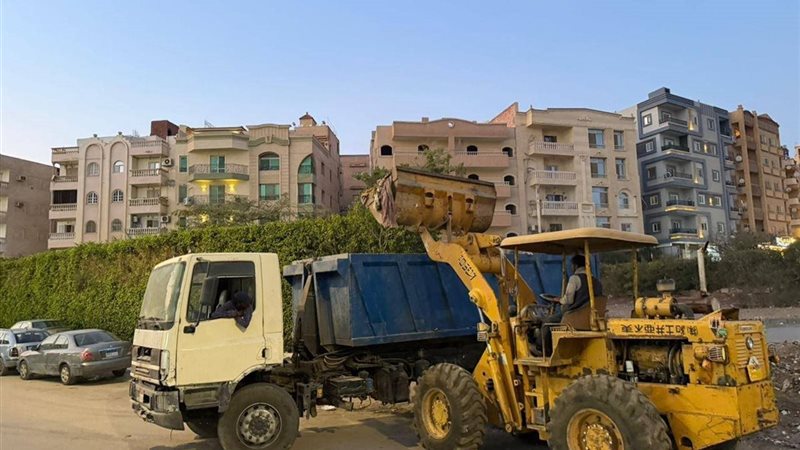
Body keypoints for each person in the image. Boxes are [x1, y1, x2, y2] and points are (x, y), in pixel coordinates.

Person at [537, 254, 603, 354]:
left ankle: (542, 350)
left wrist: (559, 300)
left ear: (575, 266)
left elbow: (568, 300)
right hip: (591, 317)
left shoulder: (575, 279)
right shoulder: (596, 281)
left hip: (575, 316)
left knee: (547, 322)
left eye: (572, 265)